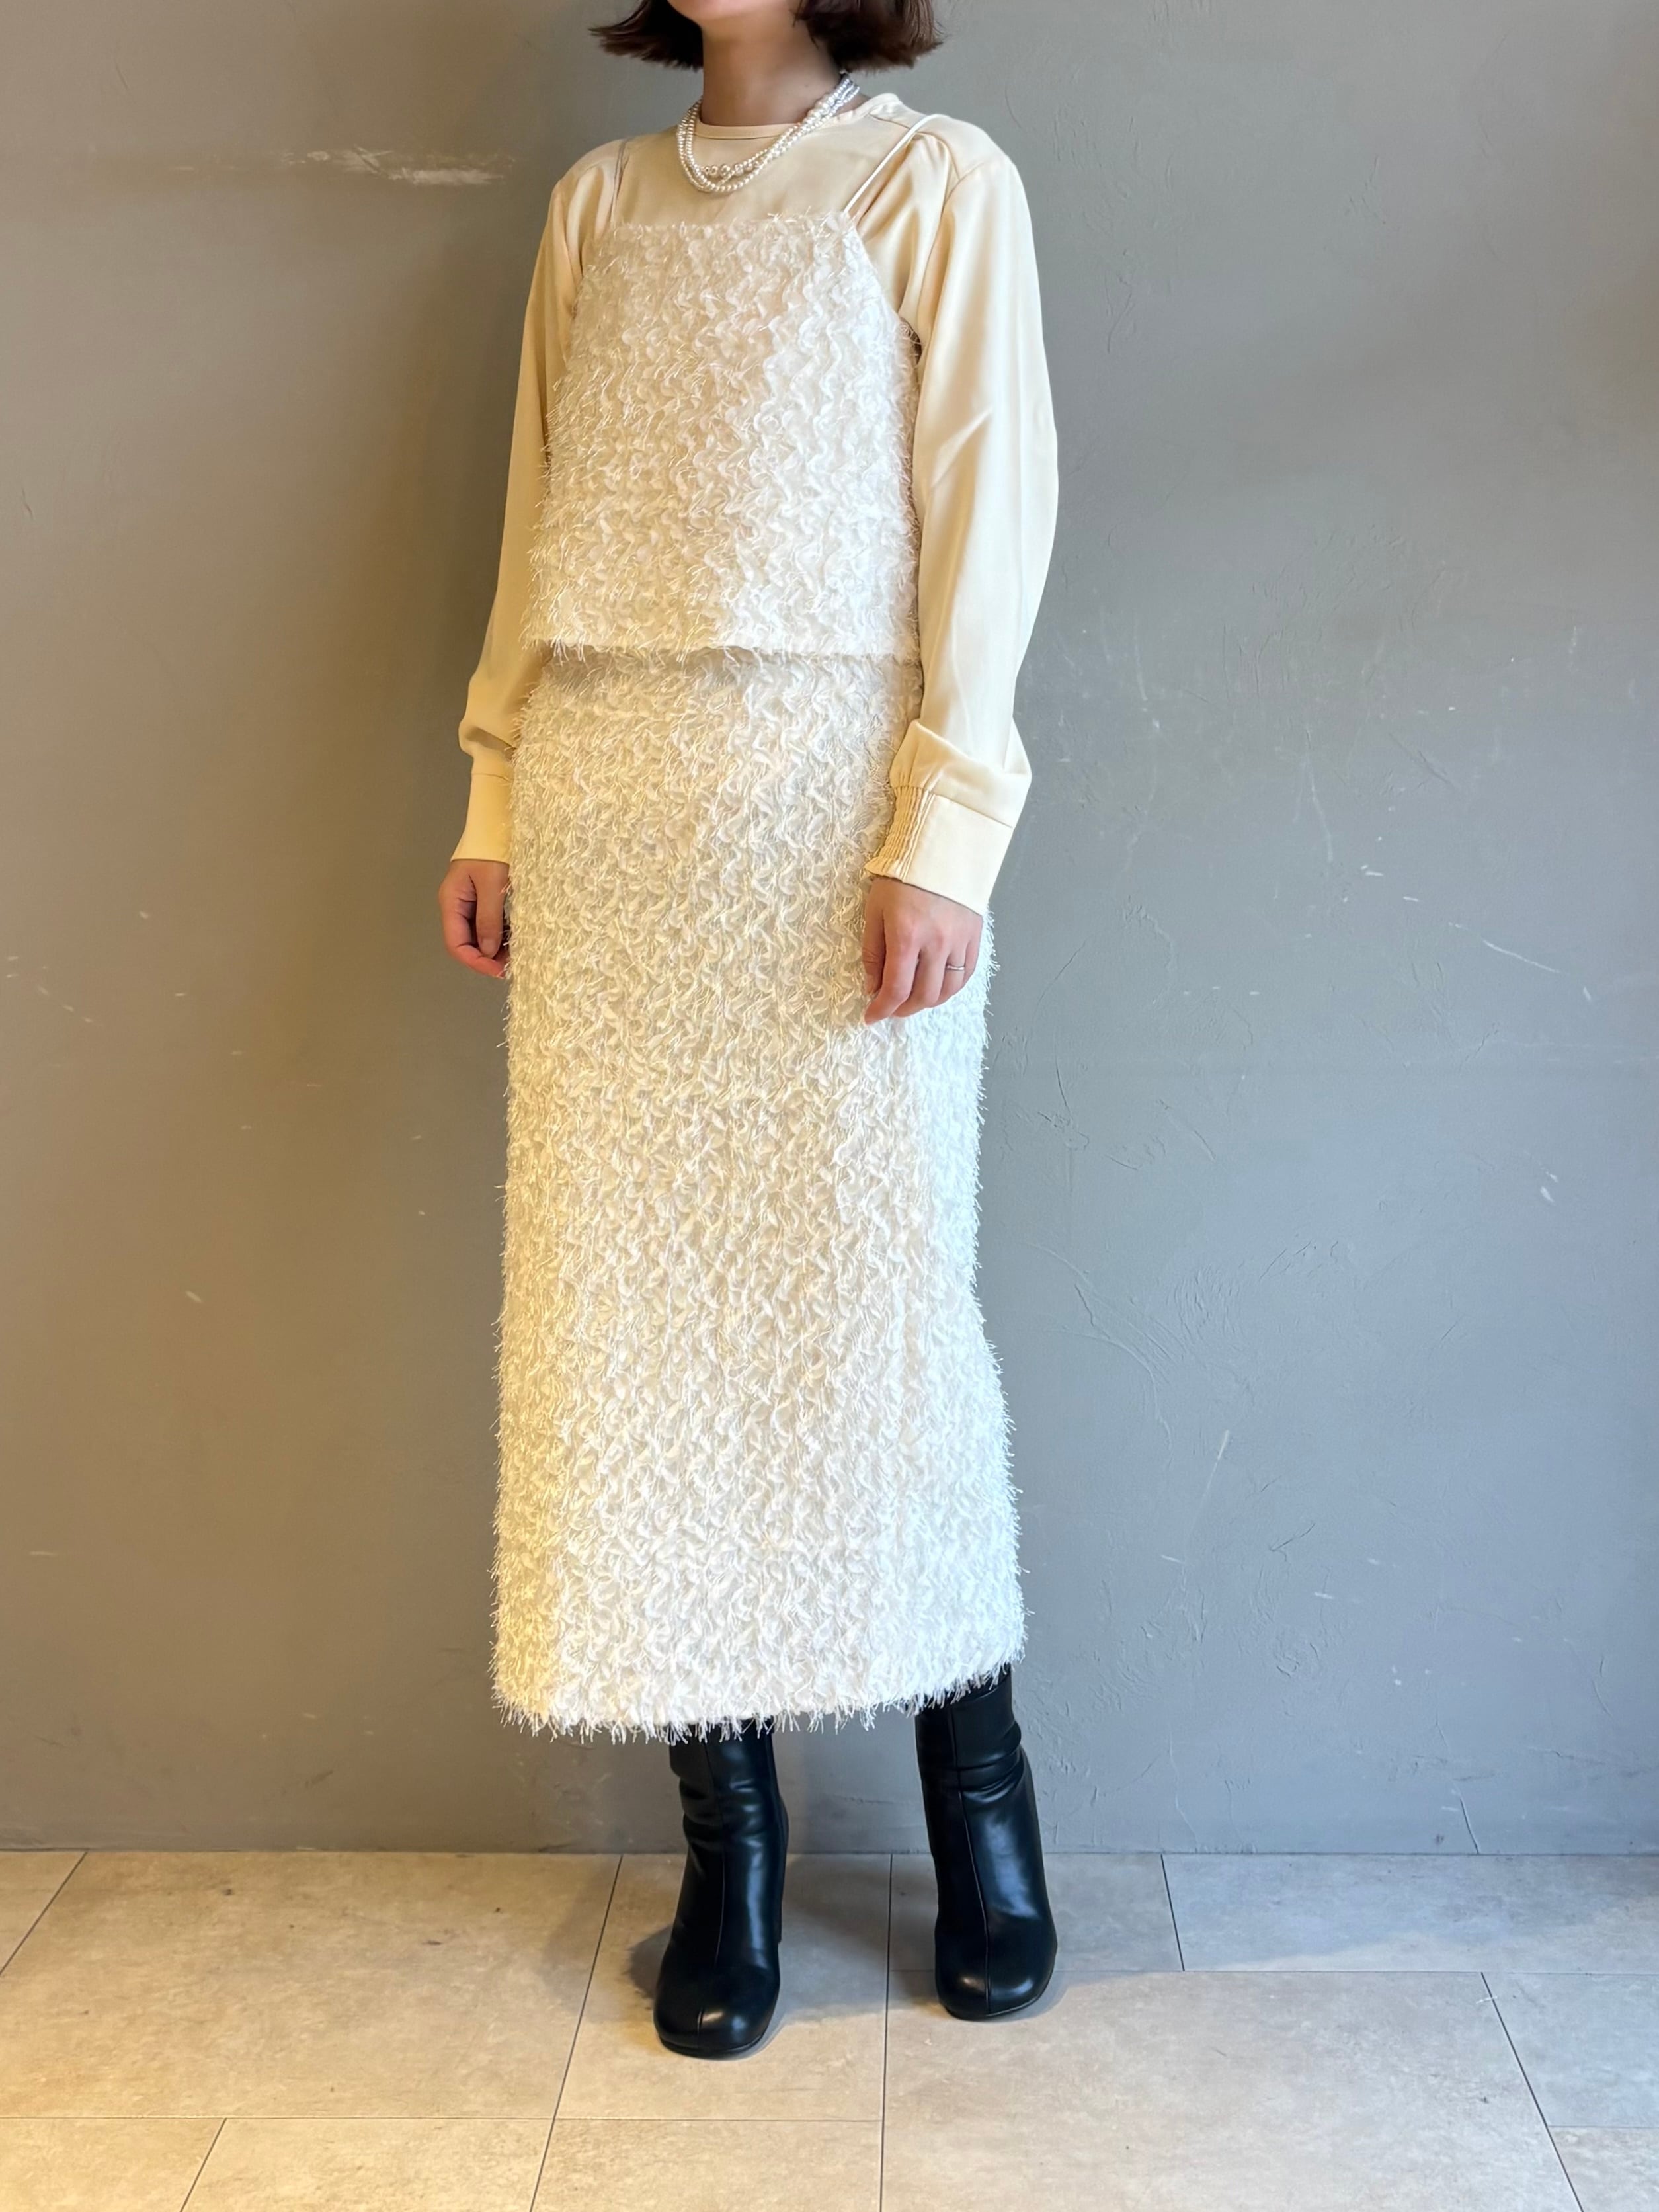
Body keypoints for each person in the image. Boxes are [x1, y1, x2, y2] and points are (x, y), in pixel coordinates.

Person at [436, 0, 1060, 2059]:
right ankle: (733, 1850)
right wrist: (496, 796)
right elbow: (537, 525)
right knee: (638, 1335)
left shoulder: (932, 183)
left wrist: (944, 836)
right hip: (616, 825)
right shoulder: (596, 207)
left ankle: (982, 1812)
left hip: (830, 821)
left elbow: (989, 518)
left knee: (873, 1311)